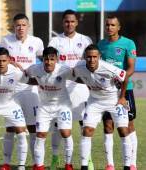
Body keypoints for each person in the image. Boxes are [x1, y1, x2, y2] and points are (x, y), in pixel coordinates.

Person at [73, 44, 132, 170]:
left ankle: (127, 166)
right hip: (94, 101)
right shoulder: (79, 68)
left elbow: (125, 77)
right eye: (89, 57)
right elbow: (74, 76)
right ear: (84, 57)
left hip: (114, 101)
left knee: (123, 130)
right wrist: (86, 81)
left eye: (95, 57)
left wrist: (122, 97)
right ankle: (84, 166)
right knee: (87, 130)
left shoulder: (108, 68)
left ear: (99, 57)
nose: (92, 60)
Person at [48, 9, 93, 170]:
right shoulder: (54, 41)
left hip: (80, 87)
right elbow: (50, 63)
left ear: (77, 22)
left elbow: (90, 62)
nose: (69, 24)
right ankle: (55, 158)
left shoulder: (85, 40)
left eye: (72, 21)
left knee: (84, 124)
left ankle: (87, 159)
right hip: (60, 88)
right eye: (67, 21)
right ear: (62, 23)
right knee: (57, 125)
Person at [0, 13, 44, 169]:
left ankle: (36, 163)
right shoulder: (6, 40)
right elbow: (1, 59)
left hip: (30, 89)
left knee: (32, 128)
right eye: (17, 25)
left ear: (28, 26)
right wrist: (13, 62)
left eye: (23, 25)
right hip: (12, 90)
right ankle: (6, 163)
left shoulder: (37, 42)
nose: (20, 28)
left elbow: (43, 61)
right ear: (14, 26)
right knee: (11, 127)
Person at [24, 47, 74, 170]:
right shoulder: (35, 68)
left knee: (65, 133)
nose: (49, 62)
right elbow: (25, 75)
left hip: (62, 105)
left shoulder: (64, 69)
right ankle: (39, 166)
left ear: (56, 59)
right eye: (46, 59)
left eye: (52, 59)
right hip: (44, 107)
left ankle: (68, 165)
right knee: (40, 135)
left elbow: (78, 76)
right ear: (42, 59)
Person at [98, 15, 137, 170]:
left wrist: (122, 80)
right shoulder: (100, 44)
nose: (109, 28)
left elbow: (131, 67)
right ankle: (110, 164)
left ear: (119, 27)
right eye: (107, 25)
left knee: (129, 124)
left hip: (125, 90)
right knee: (108, 126)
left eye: (113, 25)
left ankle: (132, 163)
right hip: (106, 92)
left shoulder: (128, 43)